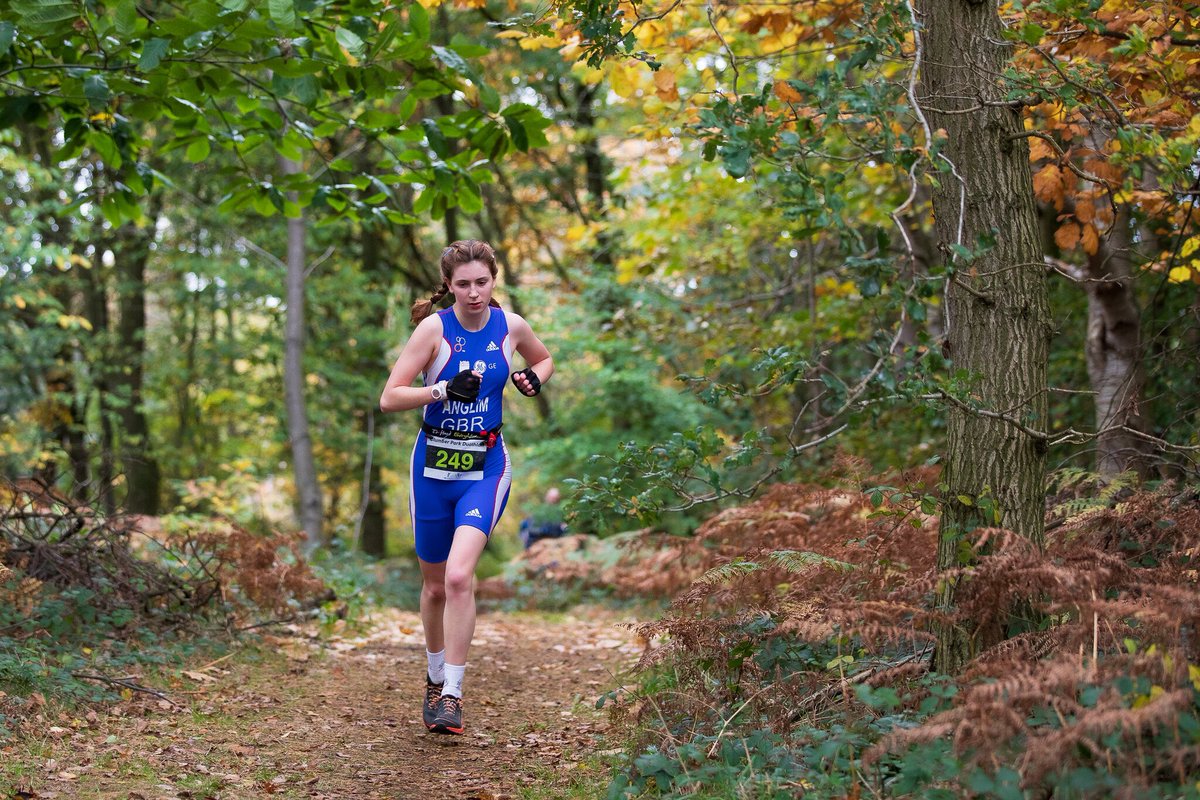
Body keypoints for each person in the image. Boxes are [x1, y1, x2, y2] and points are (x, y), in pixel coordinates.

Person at [379, 240, 553, 736]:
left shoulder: (511, 326)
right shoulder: (434, 329)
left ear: (493, 280)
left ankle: (452, 693)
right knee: (434, 585)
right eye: (463, 284)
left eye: (482, 282)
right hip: (432, 467)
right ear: (449, 286)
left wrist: (532, 379)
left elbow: (544, 360)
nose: (474, 293)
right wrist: (440, 390)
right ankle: (434, 678)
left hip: (485, 466)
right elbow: (390, 397)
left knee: (458, 577)